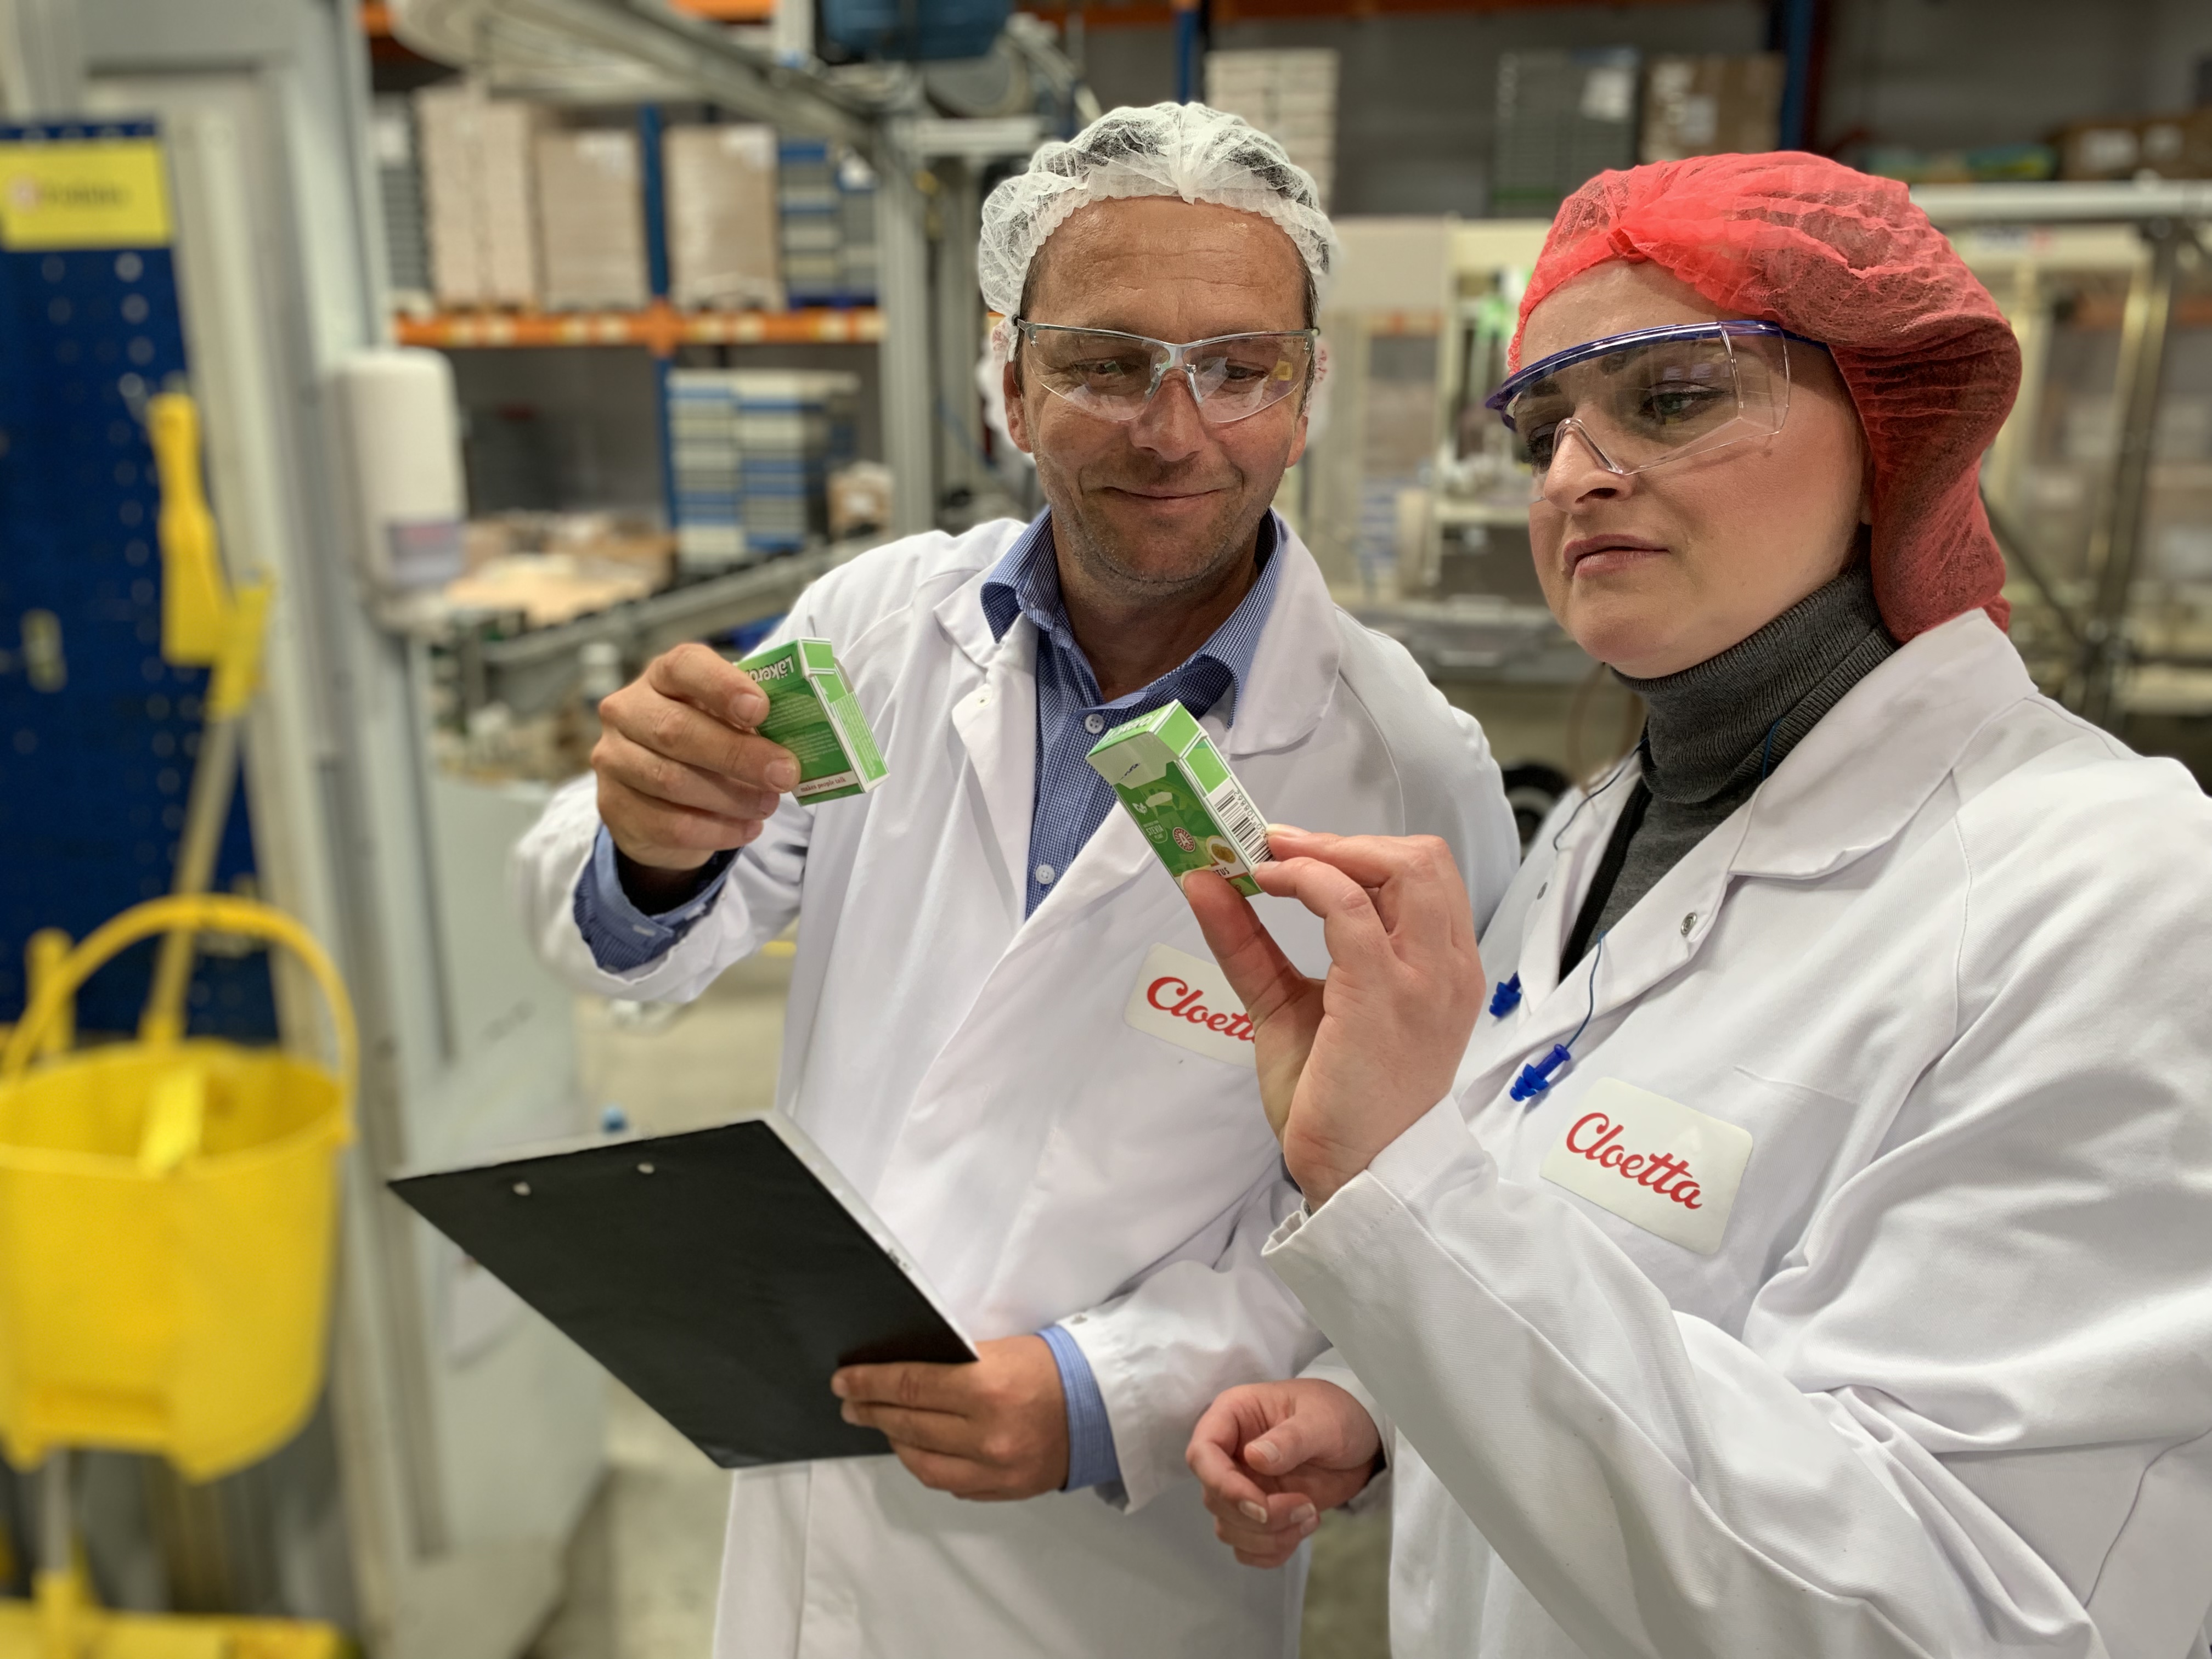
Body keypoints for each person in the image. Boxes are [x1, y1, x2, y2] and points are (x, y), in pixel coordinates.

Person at [511, 104, 1519, 1658]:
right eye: (1106, 363)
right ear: (1011, 386)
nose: (1172, 430)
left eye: (1239, 367)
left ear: (1306, 396)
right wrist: (653, 840)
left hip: (1117, 1560)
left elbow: (1425, 1209)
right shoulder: (875, 628)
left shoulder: (1408, 772)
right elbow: (636, 945)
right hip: (808, 1482)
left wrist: (1111, 1390)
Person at [1179, 152, 2212, 1657]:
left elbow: (1950, 1607)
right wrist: (1377, 1398)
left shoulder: (2115, 897)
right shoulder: (1607, 827)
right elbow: (1576, 1259)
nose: (1572, 477)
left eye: (1670, 399)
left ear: (1895, 431)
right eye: (1544, 427)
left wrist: (1402, 1193)